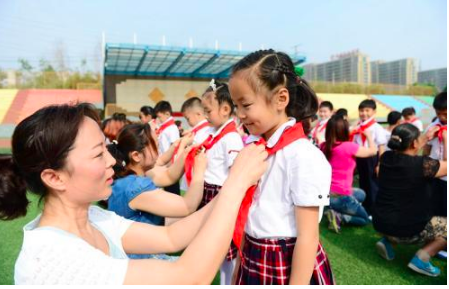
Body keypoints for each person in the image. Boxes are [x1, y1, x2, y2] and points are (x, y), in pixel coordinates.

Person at [0, 103, 268, 285]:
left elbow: (171, 236)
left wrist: (237, 184)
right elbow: (188, 277)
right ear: (54, 177)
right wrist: (235, 185)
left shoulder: (92, 217)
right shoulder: (52, 259)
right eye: (97, 154)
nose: (113, 162)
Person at [229, 49, 334, 285]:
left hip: (285, 262)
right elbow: (249, 213)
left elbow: (307, 237)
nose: (240, 115)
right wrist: (239, 266)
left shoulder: (303, 156)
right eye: (236, 106)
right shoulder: (256, 149)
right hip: (252, 252)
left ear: (281, 99)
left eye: (245, 105)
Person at [106, 123, 206, 260]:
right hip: (138, 261)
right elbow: (188, 205)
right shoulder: (135, 186)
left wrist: (186, 154)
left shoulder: (129, 176)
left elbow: (169, 176)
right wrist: (200, 170)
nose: (158, 150)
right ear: (136, 156)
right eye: (155, 146)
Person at [185, 80, 244, 285]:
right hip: (210, 194)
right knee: (213, 247)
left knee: (225, 249)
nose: (206, 115)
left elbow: (236, 174)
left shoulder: (231, 139)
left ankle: (229, 283)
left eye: (208, 110)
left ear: (226, 109)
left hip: (219, 195)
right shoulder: (214, 133)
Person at [373, 123, 447, 277]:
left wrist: (425, 138)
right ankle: (422, 258)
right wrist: (446, 138)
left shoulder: (386, 158)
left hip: (380, 222)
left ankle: (388, 242)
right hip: (406, 230)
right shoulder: (422, 165)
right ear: (414, 143)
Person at [321, 115, 378, 233]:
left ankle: (331, 208)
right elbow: (373, 151)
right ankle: (339, 217)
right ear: (344, 130)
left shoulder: (325, 146)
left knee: (361, 194)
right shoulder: (348, 147)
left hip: (327, 194)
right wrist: (369, 136)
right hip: (341, 196)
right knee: (364, 219)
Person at [350, 99, 387, 215]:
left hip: (373, 158)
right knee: (363, 182)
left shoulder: (376, 127)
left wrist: (380, 163)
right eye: (361, 110)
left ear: (374, 112)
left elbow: (381, 147)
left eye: (367, 110)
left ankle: (374, 210)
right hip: (361, 157)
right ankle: (365, 207)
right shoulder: (358, 127)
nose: (364, 113)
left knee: (373, 185)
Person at [179, 97, 211, 193]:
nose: (187, 122)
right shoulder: (198, 131)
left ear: (198, 114)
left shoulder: (205, 131)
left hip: (198, 179)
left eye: (187, 118)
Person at [423, 92, 447, 217]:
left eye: (446, 114)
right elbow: (426, 148)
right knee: (435, 203)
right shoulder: (433, 126)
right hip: (434, 172)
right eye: (438, 113)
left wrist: (445, 138)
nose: (442, 117)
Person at [154, 101, 181, 195]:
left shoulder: (172, 128)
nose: (159, 119)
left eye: (160, 117)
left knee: (172, 191)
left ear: (167, 114)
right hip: (164, 163)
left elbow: (175, 146)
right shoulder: (164, 128)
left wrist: (170, 165)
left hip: (169, 164)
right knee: (167, 191)